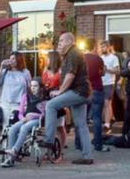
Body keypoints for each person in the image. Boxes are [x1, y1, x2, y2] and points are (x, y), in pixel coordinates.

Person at [38, 32, 94, 165]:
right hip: (82, 92)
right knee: (81, 125)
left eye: (62, 41)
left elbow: (70, 75)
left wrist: (60, 92)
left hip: (78, 92)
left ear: (69, 42)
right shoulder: (71, 54)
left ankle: (49, 140)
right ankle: (87, 156)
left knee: (51, 105)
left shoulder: (73, 53)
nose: (59, 44)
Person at [1, 80, 47, 167]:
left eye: (35, 86)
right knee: (13, 128)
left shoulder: (43, 98)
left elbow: (44, 114)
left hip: (37, 120)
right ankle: (10, 158)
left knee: (24, 128)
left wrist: (32, 115)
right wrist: (23, 119)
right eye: (32, 86)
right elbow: (20, 113)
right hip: (25, 119)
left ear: (40, 87)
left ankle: (14, 150)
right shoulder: (26, 96)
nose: (33, 88)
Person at [0, 51, 31, 133]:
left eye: (13, 59)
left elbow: (29, 87)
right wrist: (1, 67)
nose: (11, 61)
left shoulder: (25, 72)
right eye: (10, 59)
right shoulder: (5, 71)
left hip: (19, 104)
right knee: (5, 127)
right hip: (5, 103)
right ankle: (5, 145)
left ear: (19, 59)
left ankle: (14, 145)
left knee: (16, 127)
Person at [81, 42, 108, 152]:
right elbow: (103, 73)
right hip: (97, 89)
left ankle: (79, 144)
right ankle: (98, 145)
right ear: (93, 47)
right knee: (97, 118)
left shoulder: (80, 58)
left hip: (83, 91)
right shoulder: (98, 59)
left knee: (81, 118)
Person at [41, 50, 67, 150]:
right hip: (47, 99)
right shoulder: (45, 70)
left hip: (58, 99)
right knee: (49, 126)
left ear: (52, 59)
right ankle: (49, 150)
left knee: (60, 126)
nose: (46, 60)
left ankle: (62, 147)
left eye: (47, 58)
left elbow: (64, 86)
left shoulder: (60, 71)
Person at [99, 41, 120, 133]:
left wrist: (107, 69)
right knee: (103, 104)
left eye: (103, 47)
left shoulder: (114, 58)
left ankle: (107, 124)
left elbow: (117, 70)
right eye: (101, 47)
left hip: (109, 83)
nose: (102, 49)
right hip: (100, 83)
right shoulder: (100, 58)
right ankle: (105, 121)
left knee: (107, 103)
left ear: (108, 47)